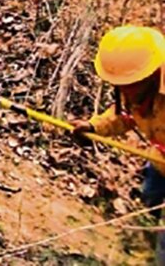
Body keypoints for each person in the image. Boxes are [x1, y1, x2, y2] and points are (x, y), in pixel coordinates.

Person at [70, 26, 165, 263]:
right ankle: (144, 243)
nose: (124, 90)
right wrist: (93, 127)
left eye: (129, 83)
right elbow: (125, 116)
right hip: (159, 161)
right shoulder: (137, 88)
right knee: (149, 198)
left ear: (150, 74)